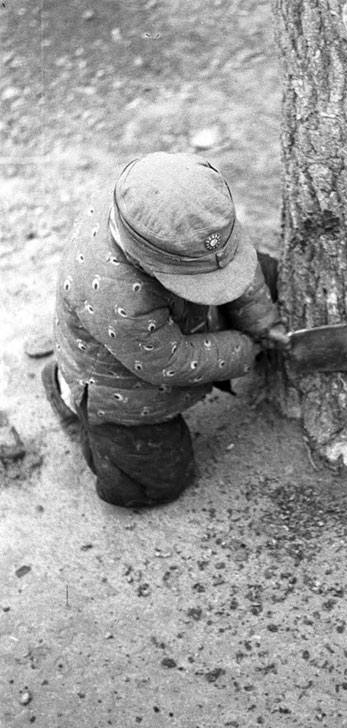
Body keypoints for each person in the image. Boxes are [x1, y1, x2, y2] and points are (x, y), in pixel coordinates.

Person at [42, 152, 289, 508]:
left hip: (174, 317)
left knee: (263, 271)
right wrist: (247, 347)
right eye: (204, 279)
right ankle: (71, 396)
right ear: (142, 258)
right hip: (123, 389)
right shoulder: (117, 293)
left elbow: (238, 261)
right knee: (156, 481)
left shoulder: (200, 216)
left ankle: (215, 299)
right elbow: (169, 361)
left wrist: (264, 321)